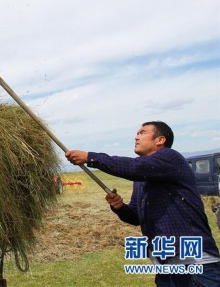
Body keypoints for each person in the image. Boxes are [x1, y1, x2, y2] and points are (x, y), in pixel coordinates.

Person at [65, 121, 220, 287]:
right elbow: (135, 216)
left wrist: (91, 157)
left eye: (142, 132)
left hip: (197, 267)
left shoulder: (171, 157)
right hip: (166, 271)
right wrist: (120, 207)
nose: (136, 136)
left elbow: (134, 166)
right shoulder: (141, 180)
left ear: (160, 140)